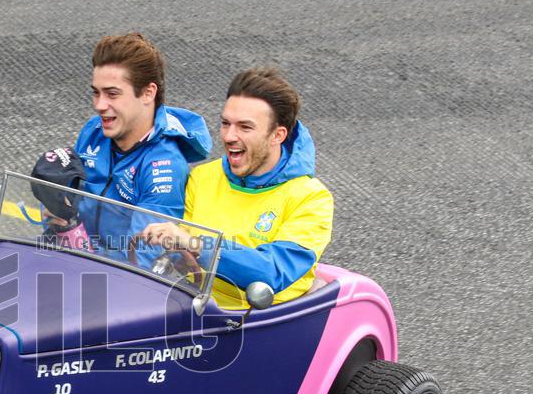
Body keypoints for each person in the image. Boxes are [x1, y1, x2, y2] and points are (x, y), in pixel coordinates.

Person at [141, 68, 333, 309]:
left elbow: (272, 271)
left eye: (245, 127)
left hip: (262, 323)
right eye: (225, 123)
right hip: (195, 309)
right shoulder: (202, 177)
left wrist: (197, 245)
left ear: (277, 135)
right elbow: (175, 257)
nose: (229, 136)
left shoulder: (311, 198)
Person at [41, 33, 212, 263]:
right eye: (96, 92)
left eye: (112, 94)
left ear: (147, 93)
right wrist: (57, 213)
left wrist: (74, 240)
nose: (99, 105)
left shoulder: (164, 167)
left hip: (120, 284)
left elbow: (138, 260)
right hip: (77, 262)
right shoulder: (94, 131)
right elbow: (67, 208)